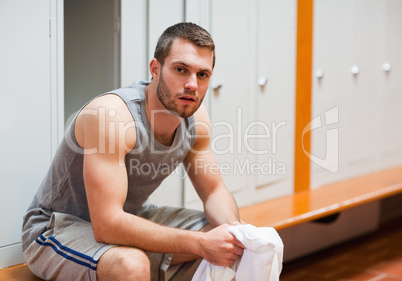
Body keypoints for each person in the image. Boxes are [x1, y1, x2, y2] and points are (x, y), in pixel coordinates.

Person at [22, 22, 244, 281]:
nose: (192, 84)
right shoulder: (112, 116)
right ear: (155, 69)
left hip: (128, 217)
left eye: (202, 75)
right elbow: (107, 225)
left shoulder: (197, 121)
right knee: (132, 265)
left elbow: (214, 191)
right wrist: (199, 243)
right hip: (56, 228)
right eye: (181, 70)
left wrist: (235, 231)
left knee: (226, 240)